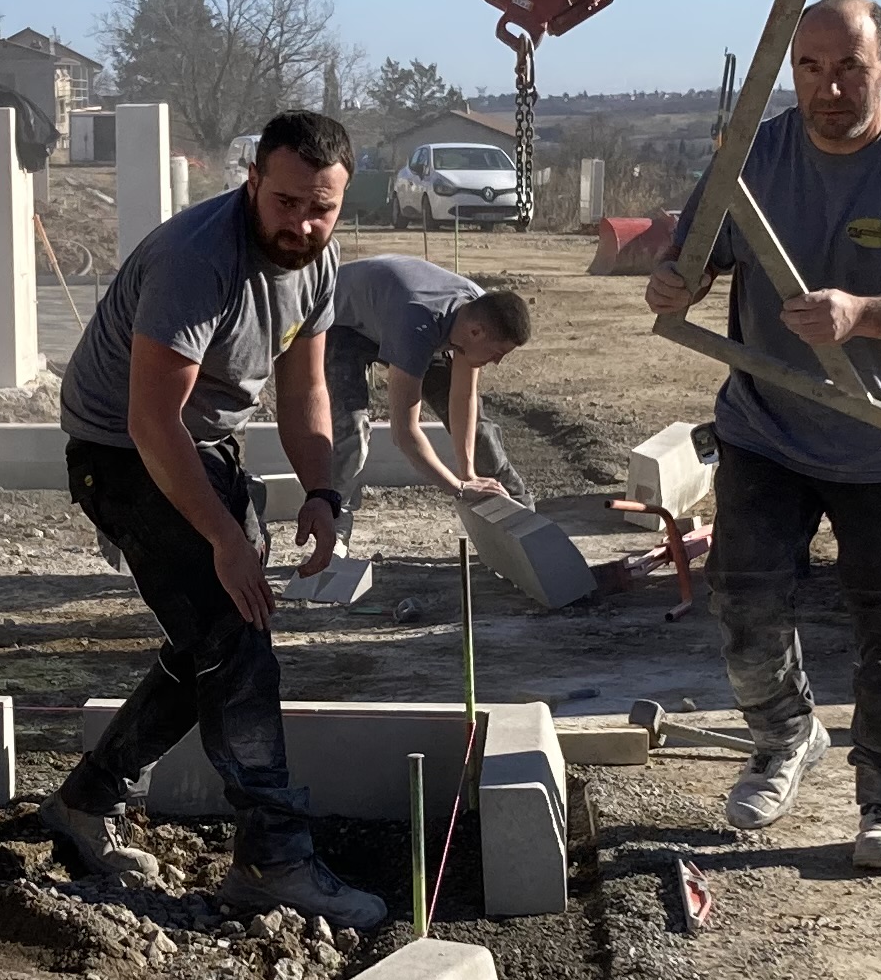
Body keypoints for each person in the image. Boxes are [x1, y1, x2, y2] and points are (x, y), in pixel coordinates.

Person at [646, 0, 881, 874]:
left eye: (849, 66)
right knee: (744, 603)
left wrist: (863, 313)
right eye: (809, 66)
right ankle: (784, 738)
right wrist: (674, 283)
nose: (829, 86)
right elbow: (694, 254)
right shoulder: (753, 155)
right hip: (765, 428)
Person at [39, 109, 387, 929]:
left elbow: (306, 389)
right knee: (234, 641)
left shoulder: (318, 258)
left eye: (323, 207)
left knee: (214, 644)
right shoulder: (198, 261)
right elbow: (151, 424)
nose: (303, 223)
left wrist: (322, 491)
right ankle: (275, 860)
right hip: (121, 454)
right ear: (253, 180)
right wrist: (226, 541)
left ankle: (84, 805)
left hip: (205, 446)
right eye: (288, 201)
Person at [321, 255, 534, 543]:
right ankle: (333, 534)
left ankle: (524, 524)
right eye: (497, 353)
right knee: (351, 431)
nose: (496, 362)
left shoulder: (477, 309)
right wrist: (458, 488)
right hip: (342, 323)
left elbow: (463, 397)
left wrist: (469, 472)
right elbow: (405, 433)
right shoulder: (417, 324)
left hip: (395, 311)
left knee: (479, 431)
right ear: (475, 332)